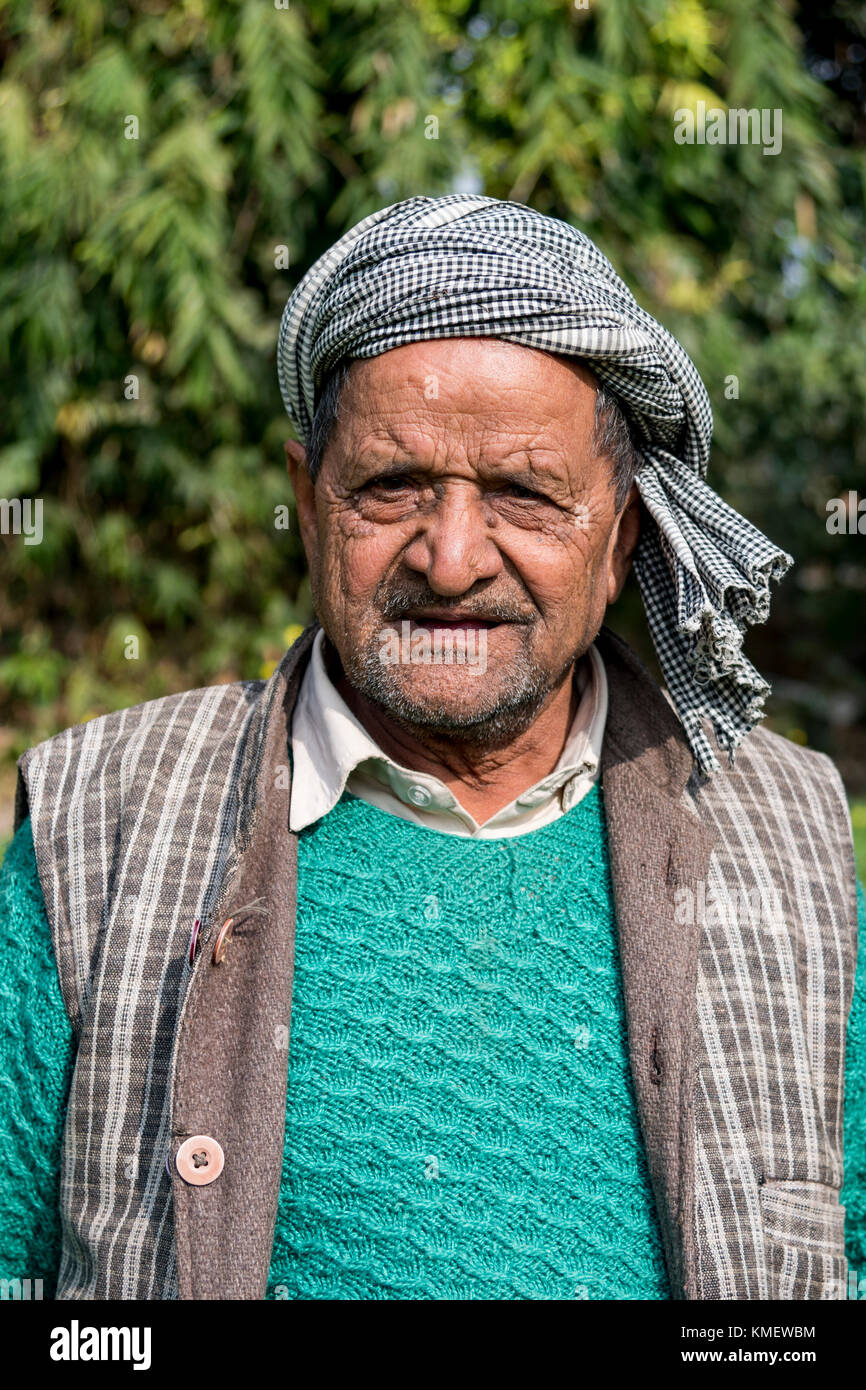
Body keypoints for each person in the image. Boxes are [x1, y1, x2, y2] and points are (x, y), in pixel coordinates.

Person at [2, 194, 863, 1300]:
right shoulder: (104, 828)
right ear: (308, 507)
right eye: (390, 487)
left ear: (621, 538)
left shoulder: (783, 836)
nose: (451, 560)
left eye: (521, 493)